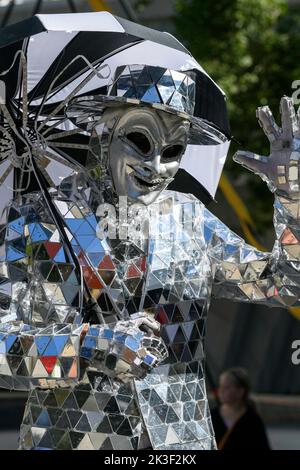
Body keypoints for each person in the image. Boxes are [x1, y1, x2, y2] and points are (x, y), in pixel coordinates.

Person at [0, 11, 300, 451]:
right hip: (71, 441)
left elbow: (285, 285)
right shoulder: (41, 223)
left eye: (173, 148)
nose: (157, 167)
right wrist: (89, 346)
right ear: (102, 134)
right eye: (139, 140)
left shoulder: (190, 220)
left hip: (181, 446)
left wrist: (292, 202)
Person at [211, 368, 270, 450]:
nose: (221, 391)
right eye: (220, 386)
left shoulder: (252, 420)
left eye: (226, 387)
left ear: (240, 391)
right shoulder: (211, 416)